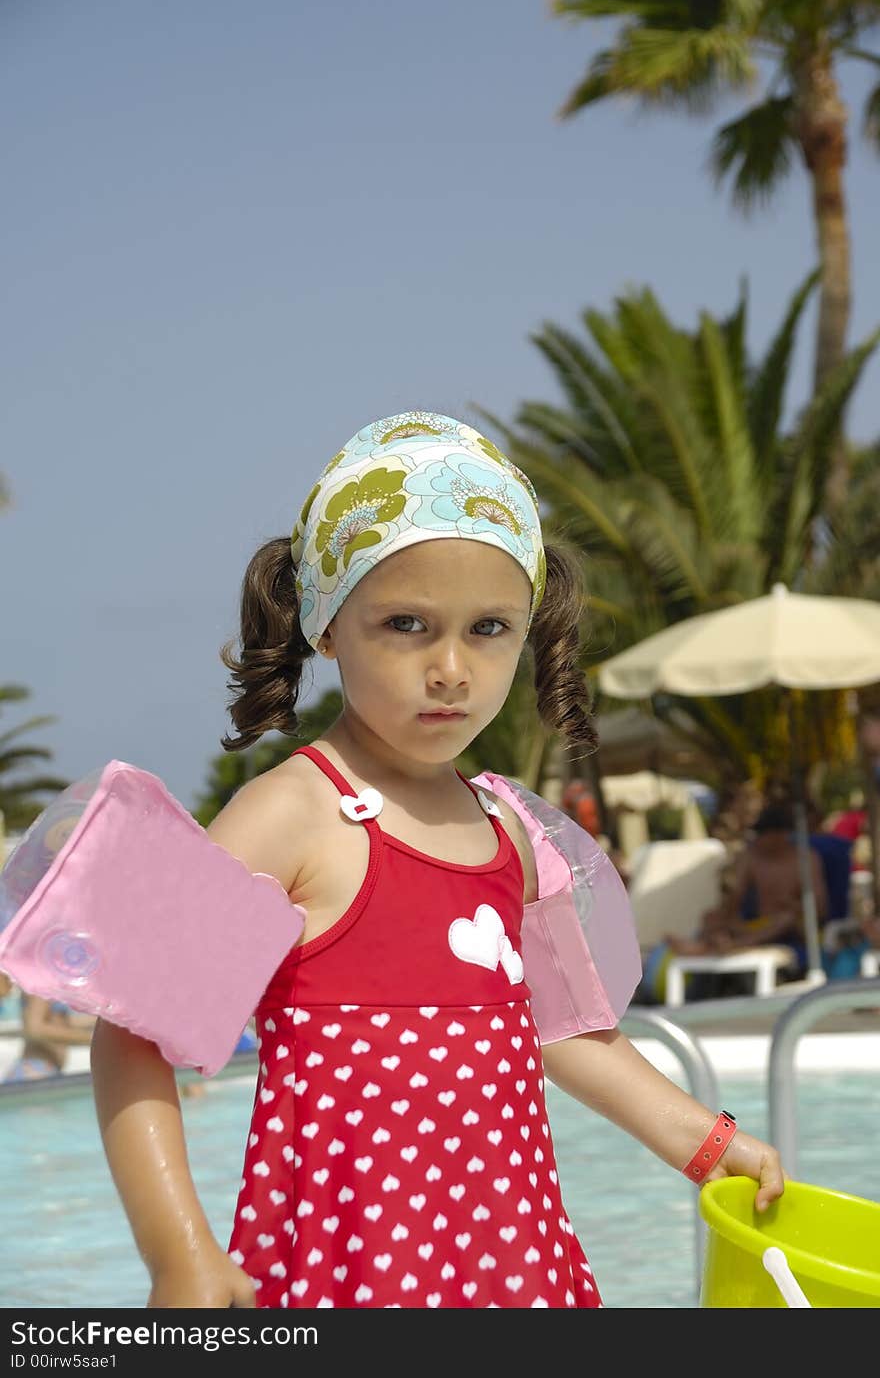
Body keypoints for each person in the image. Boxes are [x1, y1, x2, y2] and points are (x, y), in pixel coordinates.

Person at [90, 411, 783, 1310]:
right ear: (327, 624)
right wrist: (178, 1251)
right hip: (357, 1262)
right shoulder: (293, 813)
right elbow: (135, 1026)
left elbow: (566, 1029)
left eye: (489, 627)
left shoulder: (510, 832)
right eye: (407, 624)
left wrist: (706, 1140)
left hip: (513, 1258)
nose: (452, 668)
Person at [665, 803, 829, 969]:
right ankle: (704, 945)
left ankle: (732, 947)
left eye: (764, 836)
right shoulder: (751, 857)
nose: (760, 840)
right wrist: (722, 919)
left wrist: (793, 905)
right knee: (712, 916)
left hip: (794, 928)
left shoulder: (806, 859)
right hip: (757, 925)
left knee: (786, 918)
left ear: (781, 835)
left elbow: (820, 907)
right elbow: (735, 897)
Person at [1, 989, 96, 1083]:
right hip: (35, 1071)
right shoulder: (40, 979)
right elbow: (35, 1028)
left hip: (43, 1069)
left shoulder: (51, 980)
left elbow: (60, 1022)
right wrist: (93, 1040)